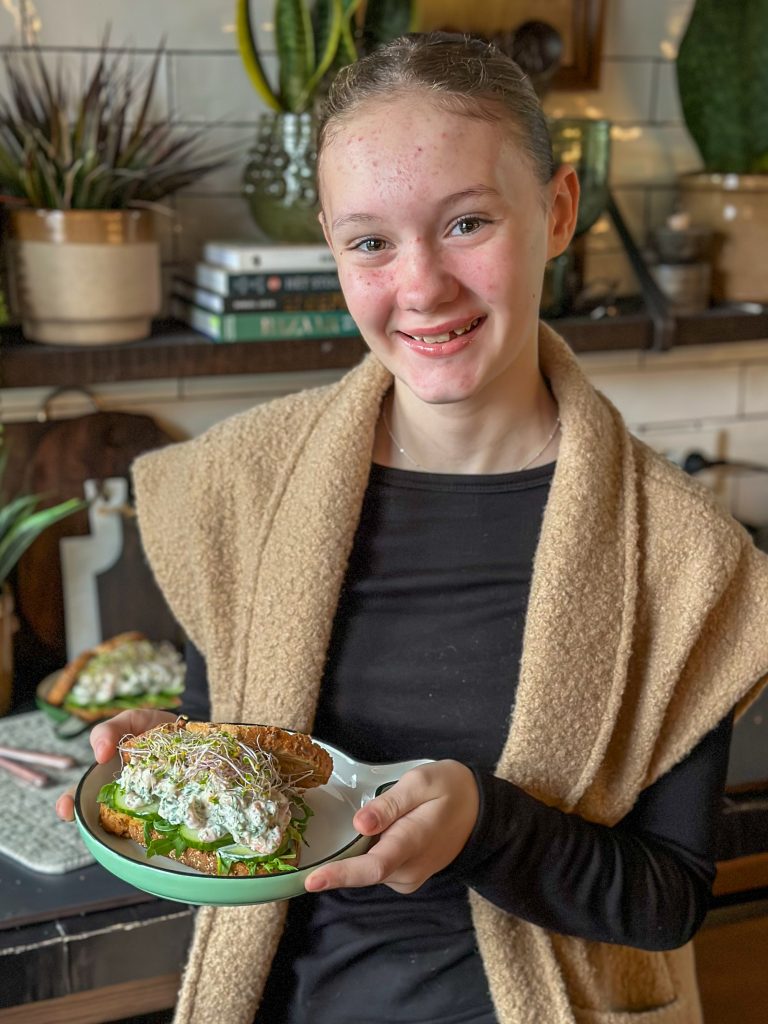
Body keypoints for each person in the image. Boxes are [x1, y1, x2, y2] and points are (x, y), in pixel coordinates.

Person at [57, 33, 768, 1024]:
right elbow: (233, 733)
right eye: (370, 242)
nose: (422, 286)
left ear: (558, 210)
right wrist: (178, 762)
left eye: (468, 221)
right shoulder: (242, 486)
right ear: (331, 244)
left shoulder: (690, 561)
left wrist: (489, 825)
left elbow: (668, 900)